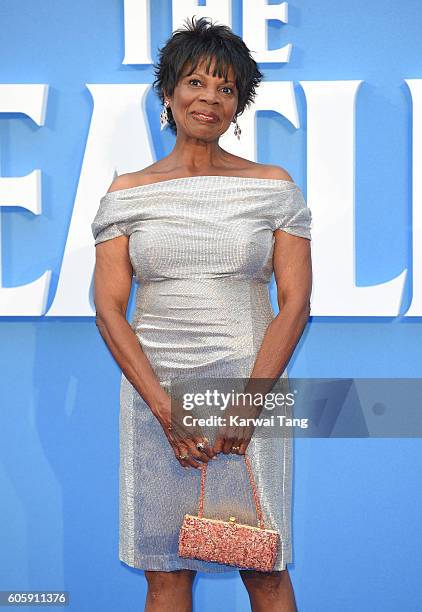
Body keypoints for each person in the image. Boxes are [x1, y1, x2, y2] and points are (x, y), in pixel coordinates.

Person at [91, 15, 312, 612]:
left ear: (238, 104)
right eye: (196, 82)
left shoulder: (273, 186)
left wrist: (250, 401)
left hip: (250, 381)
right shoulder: (127, 193)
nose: (209, 98)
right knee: (166, 571)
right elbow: (109, 310)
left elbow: (296, 304)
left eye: (226, 88)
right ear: (168, 93)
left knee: (261, 564)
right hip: (153, 391)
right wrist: (166, 413)